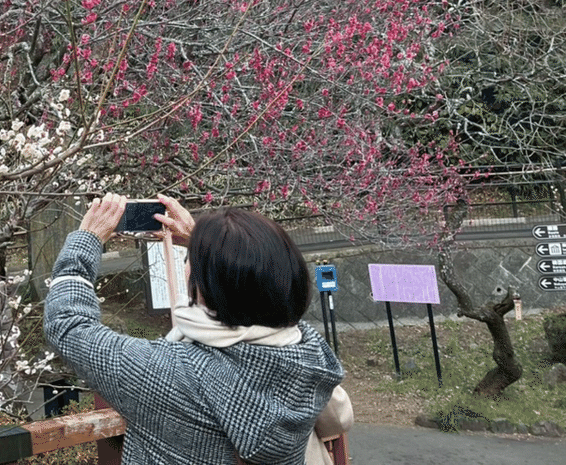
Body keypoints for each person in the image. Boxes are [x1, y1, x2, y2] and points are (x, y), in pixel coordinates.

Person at [44, 193, 352, 465]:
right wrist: (210, 245)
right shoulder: (308, 354)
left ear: (205, 284)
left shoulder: (169, 373)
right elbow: (264, 294)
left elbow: (68, 325)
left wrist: (87, 239)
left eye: (192, 261)